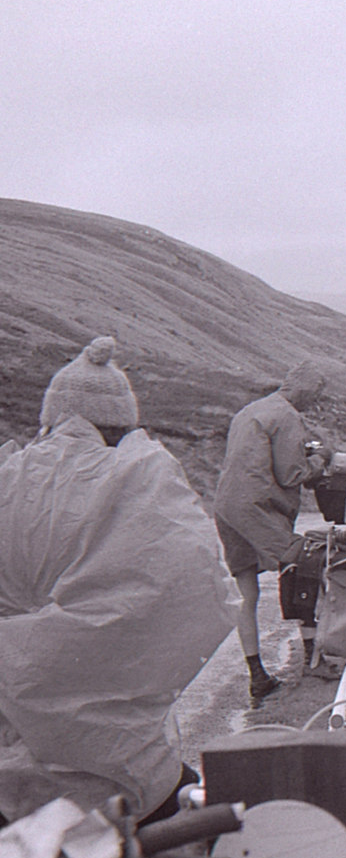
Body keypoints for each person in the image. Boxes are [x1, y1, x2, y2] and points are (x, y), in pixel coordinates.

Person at [0, 338, 235, 827]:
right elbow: (200, 596)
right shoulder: (145, 481)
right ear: (124, 425)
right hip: (129, 775)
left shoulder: (10, 477)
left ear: (50, 420)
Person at [213, 362, 331, 703]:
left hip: (227, 505)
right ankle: (314, 660)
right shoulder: (288, 415)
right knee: (303, 568)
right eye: (317, 395)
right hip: (256, 507)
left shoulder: (251, 410)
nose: (315, 402)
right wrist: (320, 459)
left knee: (247, 593)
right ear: (306, 391)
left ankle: (258, 676)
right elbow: (292, 474)